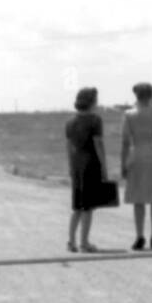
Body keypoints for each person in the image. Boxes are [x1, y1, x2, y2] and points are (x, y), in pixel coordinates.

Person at [121, 82, 152, 250]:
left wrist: (123, 163)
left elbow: (125, 142)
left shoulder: (129, 115)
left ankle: (139, 235)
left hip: (137, 155)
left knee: (138, 199)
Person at [65, 86, 107, 253]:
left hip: (76, 164)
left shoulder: (69, 122)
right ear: (92, 102)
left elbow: (68, 146)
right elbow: (98, 144)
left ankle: (71, 241)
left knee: (77, 206)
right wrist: (104, 166)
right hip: (91, 164)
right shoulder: (95, 120)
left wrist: (69, 166)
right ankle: (84, 243)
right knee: (88, 207)